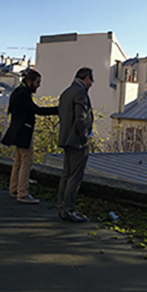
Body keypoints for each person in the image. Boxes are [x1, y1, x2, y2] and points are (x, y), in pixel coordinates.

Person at [1, 69, 59, 204]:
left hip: (17, 131)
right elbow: (37, 110)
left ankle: (14, 188)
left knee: (18, 161)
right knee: (27, 162)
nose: (39, 85)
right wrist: (58, 110)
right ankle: (22, 192)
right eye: (37, 82)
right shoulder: (23, 94)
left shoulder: (18, 92)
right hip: (23, 132)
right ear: (29, 81)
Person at [56, 67, 95, 222]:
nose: (91, 84)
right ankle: (68, 210)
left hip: (65, 139)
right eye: (91, 80)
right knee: (75, 176)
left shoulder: (66, 92)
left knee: (66, 174)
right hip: (77, 141)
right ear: (86, 78)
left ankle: (61, 206)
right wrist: (84, 137)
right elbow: (80, 117)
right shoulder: (80, 93)